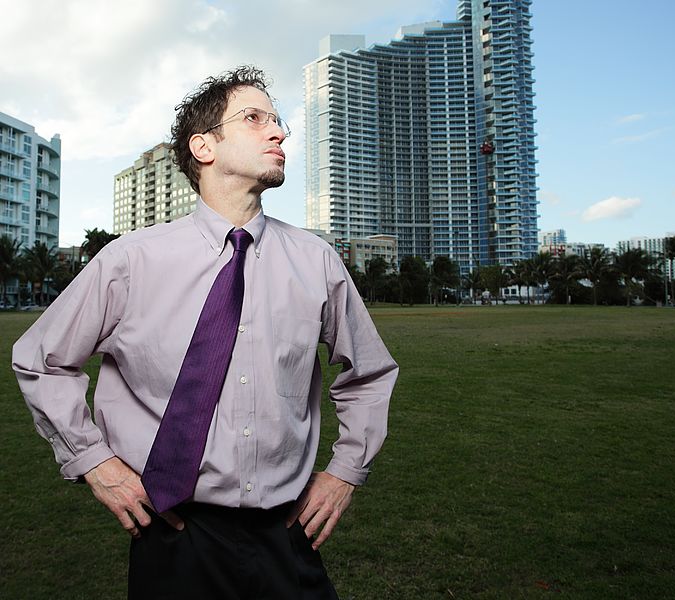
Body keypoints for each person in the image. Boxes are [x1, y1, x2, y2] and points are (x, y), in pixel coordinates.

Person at [12, 65, 398, 599]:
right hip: (174, 536)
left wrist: (344, 471)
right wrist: (96, 463)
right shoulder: (131, 261)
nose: (279, 132)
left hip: (288, 534)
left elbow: (369, 373)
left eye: (278, 120)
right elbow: (41, 359)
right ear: (204, 146)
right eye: (255, 118)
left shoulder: (317, 262)